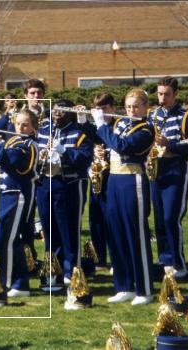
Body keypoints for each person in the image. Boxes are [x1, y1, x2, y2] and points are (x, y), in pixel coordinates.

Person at [95, 88, 155, 306]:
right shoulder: (120, 123)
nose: (131, 110)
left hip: (133, 181)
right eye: (128, 106)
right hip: (114, 180)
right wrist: (86, 122)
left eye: (136, 106)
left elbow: (122, 145)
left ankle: (145, 288)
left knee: (136, 235)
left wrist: (102, 126)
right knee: (116, 233)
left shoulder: (146, 129)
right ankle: (124, 285)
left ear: (145, 107)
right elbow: (106, 140)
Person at [0, 109, 39, 298]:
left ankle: (7, 284)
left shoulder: (29, 145)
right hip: (7, 195)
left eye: (25, 124)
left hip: (18, 196)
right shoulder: (12, 141)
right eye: (18, 123)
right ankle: (19, 283)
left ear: (33, 128)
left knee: (8, 240)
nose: (20, 127)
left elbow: (7, 158)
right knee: (7, 240)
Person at [148, 76, 188, 278]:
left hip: (176, 169)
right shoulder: (153, 115)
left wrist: (169, 143)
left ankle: (178, 263)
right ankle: (165, 260)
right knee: (160, 219)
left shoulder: (187, 116)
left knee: (171, 217)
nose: (162, 98)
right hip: (156, 169)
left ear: (175, 94)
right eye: (160, 94)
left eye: (167, 95)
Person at [36, 100, 93, 284]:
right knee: (48, 227)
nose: (57, 113)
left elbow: (84, 159)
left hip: (68, 183)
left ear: (70, 112)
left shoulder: (79, 132)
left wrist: (63, 151)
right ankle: (54, 268)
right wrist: (41, 156)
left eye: (62, 110)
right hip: (45, 181)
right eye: (55, 110)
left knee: (68, 227)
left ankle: (71, 269)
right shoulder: (44, 130)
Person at [77, 93, 116, 270]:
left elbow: (116, 145)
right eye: (98, 109)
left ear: (112, 108)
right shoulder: (95, 126)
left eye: (105, 108)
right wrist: (82, 119)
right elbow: (91, 138)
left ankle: (117, 259)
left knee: (113, 220)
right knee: (96, 220)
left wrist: (106, 153)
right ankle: (100, 258)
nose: (101, 112)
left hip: (114, 177)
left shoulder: (118, 125)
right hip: (96, 177)